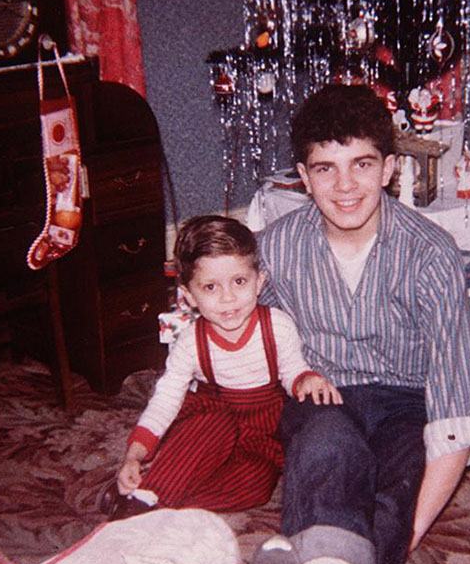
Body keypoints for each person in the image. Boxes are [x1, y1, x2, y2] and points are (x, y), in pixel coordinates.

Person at [250, 84, 470, 564]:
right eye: (325, 169)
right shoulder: (274, 248)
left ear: (389, 169)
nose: (345, 186)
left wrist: (406, 530)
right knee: (327, 449)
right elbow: (238, 325)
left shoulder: (431, 254)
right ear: (303, 177)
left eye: (361, 165)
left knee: (396, 489)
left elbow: (459, 402)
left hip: (404, 402)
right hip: (321, 392)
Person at [106, 215, 343, 520]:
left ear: (259, 282)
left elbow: (293, 370)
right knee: (213, 425)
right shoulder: (192, 341)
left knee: (256, 484)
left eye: (239, 282)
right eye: (210, 287)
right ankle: (144, 501)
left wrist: (305, 380)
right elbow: (165, 399)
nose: (228, 298)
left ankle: (159, 501)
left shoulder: (278, 327)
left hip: (260, 430)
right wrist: (134, 454)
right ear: (189, 297)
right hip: (211, 419)